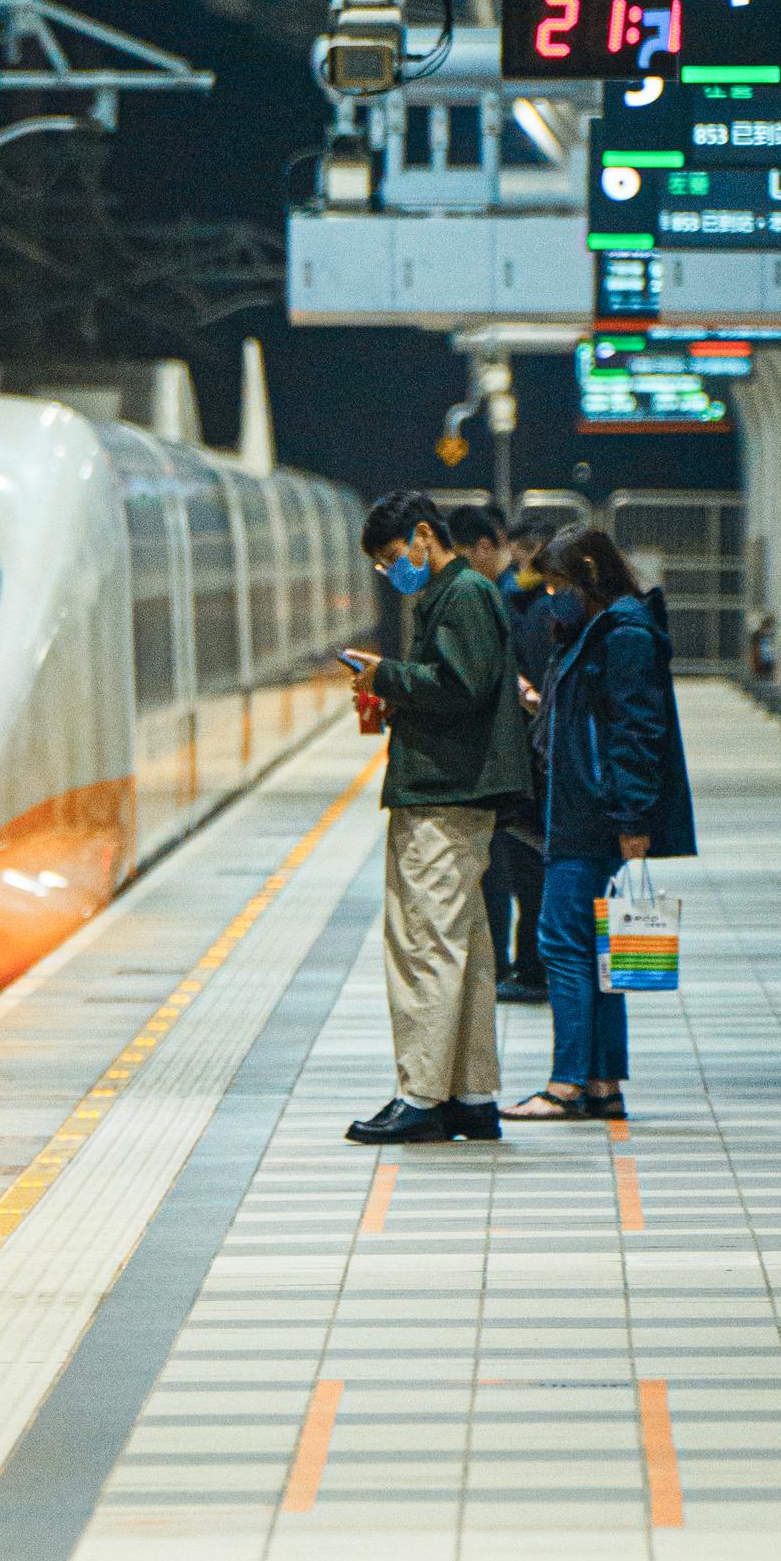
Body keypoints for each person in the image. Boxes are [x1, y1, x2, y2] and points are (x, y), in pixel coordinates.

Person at [338, 486, 529, 1146]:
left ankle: (421, 1096)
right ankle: (471, 1096)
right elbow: (459, 686)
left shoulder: (463, 594)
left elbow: (461, 685)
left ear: (424, 535)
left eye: (395, 556)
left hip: (444, 797)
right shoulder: (453, 596)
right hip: (452, 790)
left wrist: (386, 676)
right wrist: (393, 690)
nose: (393, 572)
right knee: (467, 948)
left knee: (426, 943)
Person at [513, 522, 694, 1125]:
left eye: (557, 583)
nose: (548, 596)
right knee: (597, 952)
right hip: (582, 811)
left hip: (594, 817)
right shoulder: (597, 629)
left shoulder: (625, 634)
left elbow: (637, 732)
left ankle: (566, 1083)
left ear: (586, 578)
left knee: (561, 943)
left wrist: (633, 816)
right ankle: (601, 1083)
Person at [454, 504, 549, 997]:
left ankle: (525, 965)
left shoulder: (513, 604)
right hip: (520, 758)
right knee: (515, 866)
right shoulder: (508, 600)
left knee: (518, 866)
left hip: (520, 759)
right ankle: (520, 963)